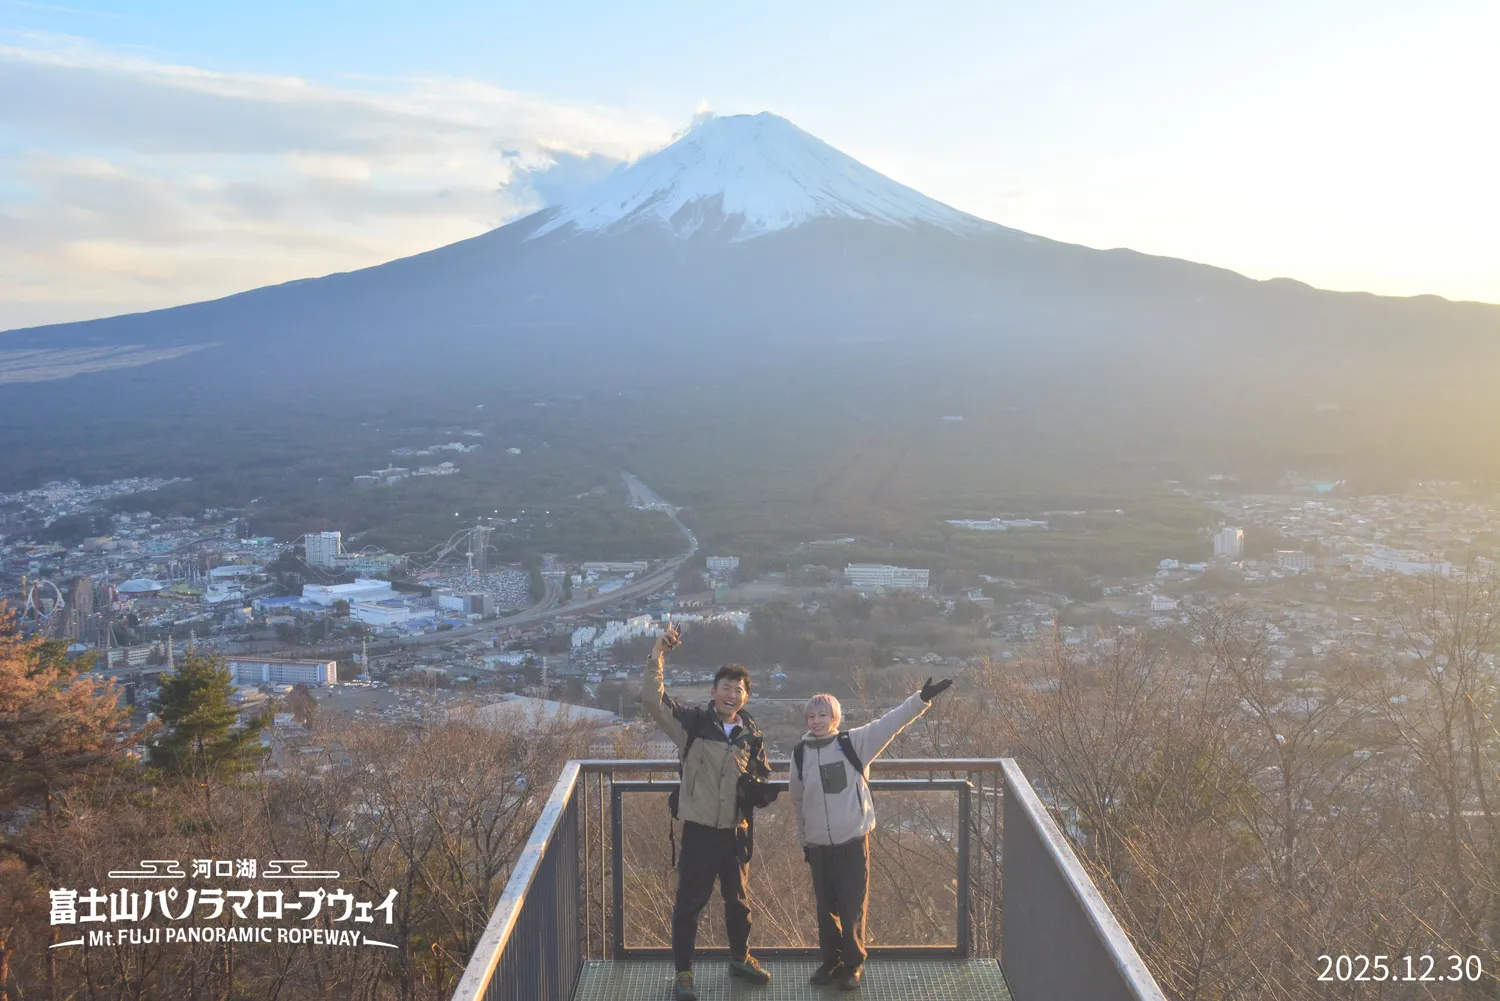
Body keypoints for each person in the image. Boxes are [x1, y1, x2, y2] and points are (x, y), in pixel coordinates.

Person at [789, 677, 954, 990]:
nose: (817, 721)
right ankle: (830, 962)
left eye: (823, 715)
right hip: (819, 845)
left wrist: (921, 698)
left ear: (835, 718)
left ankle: (852, 964)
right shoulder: (800, 755)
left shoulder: (854, 743)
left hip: (852, 841)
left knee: (852, 906)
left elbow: (891, 722)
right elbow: (798, 802)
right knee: (826, 909)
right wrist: (804, 841)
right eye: (811, 716)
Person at [643, 622, 772, 1001]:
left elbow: (761, 776)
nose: (732, 695)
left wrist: (759, 790)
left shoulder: (753, 735)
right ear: (713, 692)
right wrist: (657, 654)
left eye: (739, 690)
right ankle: (684, 974)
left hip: (736, 830)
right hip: (700, 830)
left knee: (739, 904)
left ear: (745, 697)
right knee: (689, 905)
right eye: (726, 688)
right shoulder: (693, 725)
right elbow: (653, 699)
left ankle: (740, 957)